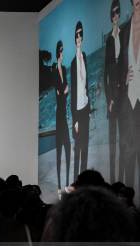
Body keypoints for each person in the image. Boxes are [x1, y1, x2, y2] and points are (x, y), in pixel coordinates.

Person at [119, 0, 140, 187]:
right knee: (128, 154)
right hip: (128, 102)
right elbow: (117, 65)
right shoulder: (124, 30)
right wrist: (123, 77)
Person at [104, 0, 123, 183]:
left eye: (118, 12)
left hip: (123, 95)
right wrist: (109, 99)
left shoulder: (123, 35)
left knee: (124, 140)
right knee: (112, 140)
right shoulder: (109, 39)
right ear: (111, 16)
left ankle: (122, 181)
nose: (116, 15)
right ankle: (111, 179)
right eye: (114, 12)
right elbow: (105, 73)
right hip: (112, 98)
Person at [71, 21, 91, 180]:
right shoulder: (72, 63)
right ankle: (77, 180)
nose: (79, 37)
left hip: (85, 107)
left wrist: (89, 108)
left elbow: (85, 85)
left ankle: (83, 180)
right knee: (78, 147)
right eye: (77, 34)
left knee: (86, 146)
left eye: (81, 34)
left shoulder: (84, 57)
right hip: (78, 111)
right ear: (74, 38)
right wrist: (75, 120)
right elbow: (73, 95)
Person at [55, 40, 72, 190]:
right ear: (56, 52)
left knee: (67, 148)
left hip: (64, 112)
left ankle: (66, 184)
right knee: (60, 151)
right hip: (59, 115)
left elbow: (64, 90)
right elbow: (59, 92)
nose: (62, 53)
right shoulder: (55, 69)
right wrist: (63, 92)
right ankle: (60, 186)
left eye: (63, 50)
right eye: (60, 50)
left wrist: (64, 93)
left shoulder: (64, 69)